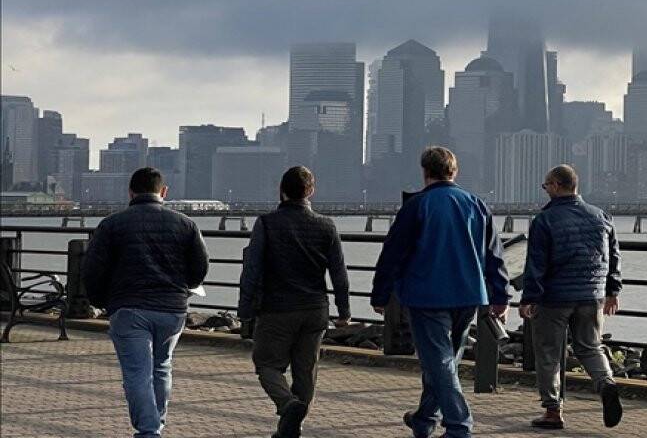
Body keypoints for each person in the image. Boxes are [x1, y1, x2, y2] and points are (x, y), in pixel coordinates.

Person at [370, 146, 510, 438]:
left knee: (440, 362)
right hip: (470, 294)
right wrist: (500, 296)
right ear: (454, 171)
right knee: (445, 362)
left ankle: (459, 426)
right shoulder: (476, 204)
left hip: (427, 295)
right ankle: (423, 419)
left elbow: (393, 253)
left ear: (425, 172)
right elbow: (494, 254)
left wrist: (380, 294)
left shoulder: (417, 206)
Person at [82, 167, 210, 438]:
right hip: (172, 309)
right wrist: (181, 288)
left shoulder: (112, 225)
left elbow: (93, 270)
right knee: (162, 367)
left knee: (137, 373)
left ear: (130, 192)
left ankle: (149, 430)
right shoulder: (186, 224)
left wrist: (102, 302)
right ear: (164, 192)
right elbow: (200, 268)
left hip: (129, 308)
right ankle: (156, 424)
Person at [238, 166, 351, 438]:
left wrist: (245, 309)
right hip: (315, 309)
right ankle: (291, 427)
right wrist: (344, 310)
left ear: (281, 190)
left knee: (267, 365)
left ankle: (287, 405)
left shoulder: (266, 223)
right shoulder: (327, 225)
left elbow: (252, 270)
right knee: (306, 372)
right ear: (310, 191)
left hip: (277, 309)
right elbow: (339, 271)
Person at [519, 164, 623, 430]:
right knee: (590, 347)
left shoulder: (545, 220)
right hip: (592, 295)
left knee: (549, 354)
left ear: (556, 185)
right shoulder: (601, 216)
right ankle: (606, 383)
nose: (545, 191)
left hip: (554, 297)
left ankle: (553, 412)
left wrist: (529, 297)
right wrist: (612, 290)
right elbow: (613, 257)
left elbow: (536, 263)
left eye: (546, 186)